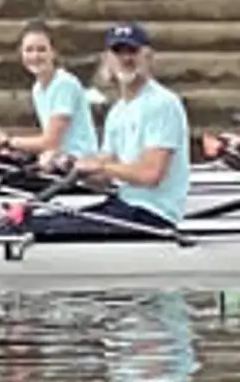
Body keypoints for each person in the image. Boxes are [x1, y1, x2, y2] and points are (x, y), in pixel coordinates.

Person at [31, 25, 191, 240]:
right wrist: (68, 164)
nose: (126, 59)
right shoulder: (117, 112)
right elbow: (101, 181)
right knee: (33, 222)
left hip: (152, 217)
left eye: (132, 52)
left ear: (148, 56)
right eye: (118, 52)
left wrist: (102, 166)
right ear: (107, 59)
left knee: (37, 230)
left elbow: (150, 175)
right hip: (125, 207)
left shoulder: (162, 104)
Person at [0, 21, 100, 163]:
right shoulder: (37, 89)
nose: (35, 56)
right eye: (29, 50)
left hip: (80, 163)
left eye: (41, 50)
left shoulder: (64, 84)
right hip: (58, 160)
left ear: (53, 52)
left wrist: (8, 141)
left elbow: (50, 141)